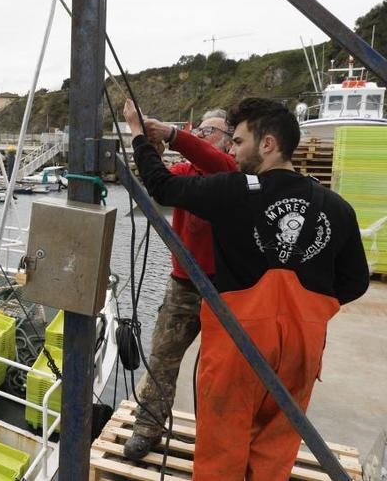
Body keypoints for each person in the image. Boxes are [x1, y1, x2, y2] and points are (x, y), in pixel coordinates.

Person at [124, 97, 369, 480]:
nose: (233, 152)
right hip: (302, 345)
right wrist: (311, 307)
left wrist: (138, 135)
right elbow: (355, 282)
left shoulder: (235, 191)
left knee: (224, 439)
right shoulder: (336, 207)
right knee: (278, 437)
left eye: (238, 142)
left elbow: (161, 185)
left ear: (267, 144)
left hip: (239, 340)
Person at [123, 110, 237, 459]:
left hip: (225, 290)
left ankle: (216, 436)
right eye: (199, 129)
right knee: (161, 358)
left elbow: (213, 161)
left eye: (211, 130)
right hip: (183, 285)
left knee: (219, 371)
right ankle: (148, 427)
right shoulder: (185, 174)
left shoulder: (232, 176)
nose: (203, 134)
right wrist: (146, 145)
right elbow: (158, 186)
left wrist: (174, 134)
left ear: (229, 141)